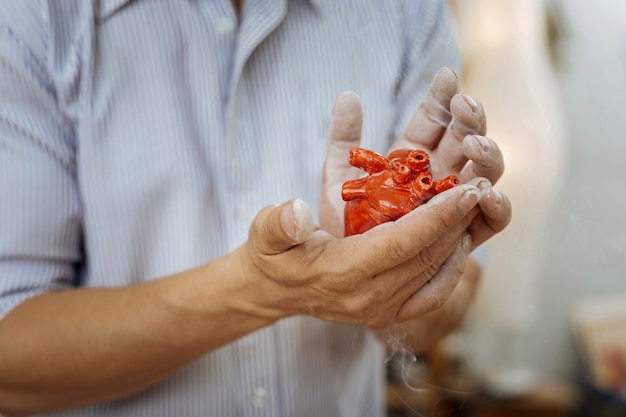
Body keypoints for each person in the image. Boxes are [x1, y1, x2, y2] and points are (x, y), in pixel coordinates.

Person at [0, 1, 511, 416]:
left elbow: (457, 293)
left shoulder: (407, 11)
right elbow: (10, 352)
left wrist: (391, 277)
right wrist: (260, 290)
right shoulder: (34, 18)